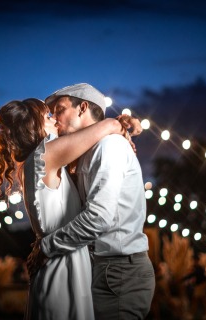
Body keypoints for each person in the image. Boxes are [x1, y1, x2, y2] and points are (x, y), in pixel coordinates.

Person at [0, 97, 136, 320]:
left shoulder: (34, 161)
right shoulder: (45, 156)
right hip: (61, 265)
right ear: (35, 125)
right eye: (48, 116)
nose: (55, 120)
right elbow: (108, 125)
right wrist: (121, 125)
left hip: (59, 258)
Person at [29, 83, 155, 319]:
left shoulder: (110, 146)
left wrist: (46, 247)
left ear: (82, 107)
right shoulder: (89, 149)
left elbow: (99, 217)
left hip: (118, 271)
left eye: (60, 110)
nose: (54, 119)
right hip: (103, 267)